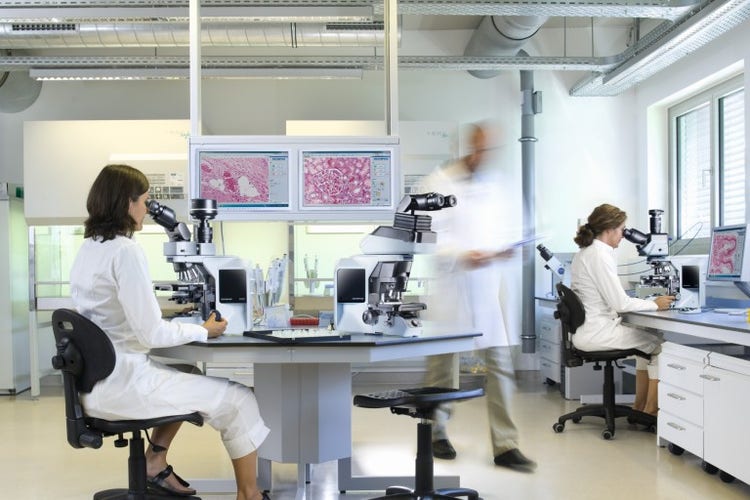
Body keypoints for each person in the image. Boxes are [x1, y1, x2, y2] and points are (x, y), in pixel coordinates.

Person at [69, 164, 270, 500]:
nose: (147, 210)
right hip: (125, 386)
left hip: (96, 385)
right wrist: (203, 330)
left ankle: (154, 461)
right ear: (127, 202)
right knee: (240, 400)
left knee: (188, 371)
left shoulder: (89, 247)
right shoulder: (125, 250)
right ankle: (249, 495)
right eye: (145, 201)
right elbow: (150, 334)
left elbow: (116, 320)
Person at [421, 122, 536, 472]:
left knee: (500, 366)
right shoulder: (438, 183)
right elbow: (427, 235)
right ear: (466, 146)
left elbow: (519, 232)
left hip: (490, 289)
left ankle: (505, 445)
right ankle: (436, 432)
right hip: (454, 288)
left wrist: (509, 250)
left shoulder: (499, 187)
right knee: (442, 366)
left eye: (488, 150)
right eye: (477, 148)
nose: (481, 155)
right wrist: (461, 254)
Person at [571, 203, 675, 416]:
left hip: (587, 330)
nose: (623, 235)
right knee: (661, 347)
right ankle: (651, 411)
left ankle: (639, 406)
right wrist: (655, 303)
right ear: (609, 230)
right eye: (622, 229)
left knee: (647, 339)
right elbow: (620, 304)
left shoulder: (585, 252)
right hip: (598, 333)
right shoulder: (600, 254)